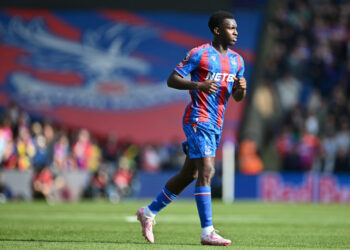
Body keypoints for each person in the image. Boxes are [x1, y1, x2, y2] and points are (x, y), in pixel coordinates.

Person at [136, 10, 247, 246]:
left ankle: (149, 212)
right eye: (231, 28)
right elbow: (172, 79)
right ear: (217, 30)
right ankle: (207, 231)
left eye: (237, 28)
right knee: (207, 170)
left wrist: (242, 89)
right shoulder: (199, 54)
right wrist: (199, 84)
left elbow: (236, 97)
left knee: (191, 174)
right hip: (198, 118)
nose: (236, 32)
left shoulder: (238, 61)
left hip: (216, 123)